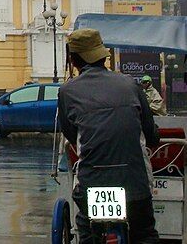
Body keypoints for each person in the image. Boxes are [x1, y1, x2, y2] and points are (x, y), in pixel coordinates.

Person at [57, 29, 160, 243]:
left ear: (73, 60)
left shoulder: (67, 91)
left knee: (88, 232)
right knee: (144, 233)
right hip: (134, 181)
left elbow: (71, 133)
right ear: (103, 56)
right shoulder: (130, 84)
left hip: (92, 180)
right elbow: (149, 131)